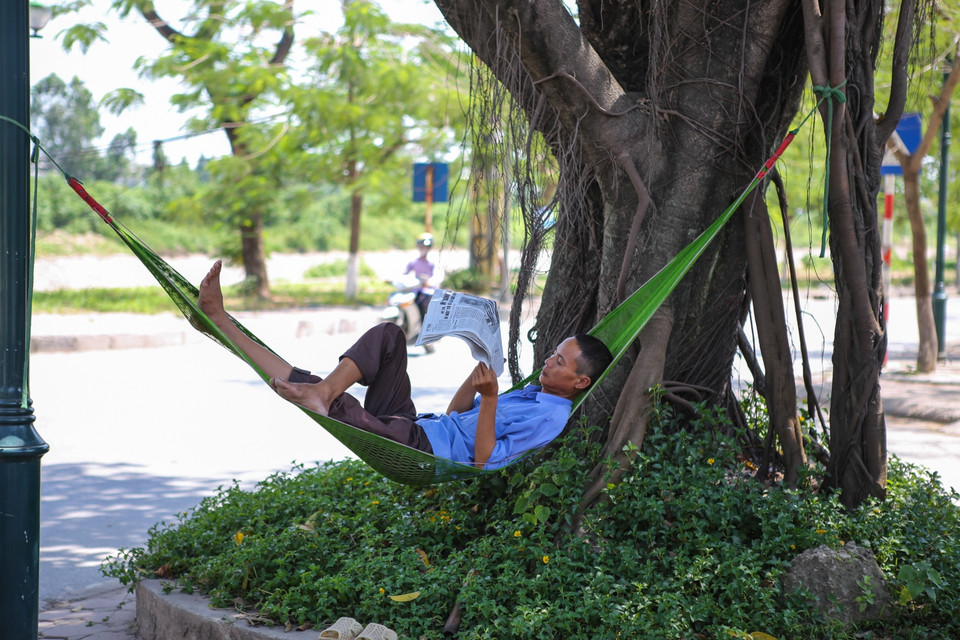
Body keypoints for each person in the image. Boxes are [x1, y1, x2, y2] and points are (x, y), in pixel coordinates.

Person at [197, 260, 613, 469]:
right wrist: (476, 377)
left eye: (559, 362)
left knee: (319, 396)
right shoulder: (536, 392)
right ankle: (321, 392)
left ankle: (219, 319)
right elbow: (455, 416)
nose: (547, 363)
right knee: (389, 337)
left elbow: (485, 459)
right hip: (415, 427)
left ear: (580, 381)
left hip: (420, 451)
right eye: (552, 355)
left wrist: (489, 401)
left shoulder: (550, 418)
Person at [404, 232, 437, 321]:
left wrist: (428, 282)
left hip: (429, 292)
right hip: (416, 291)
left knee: (424, 307)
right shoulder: (414, 261)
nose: (422, 248)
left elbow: (437, 277)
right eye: (421, 246)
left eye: (425, 246)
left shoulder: (433, 262)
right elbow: (404, 274)